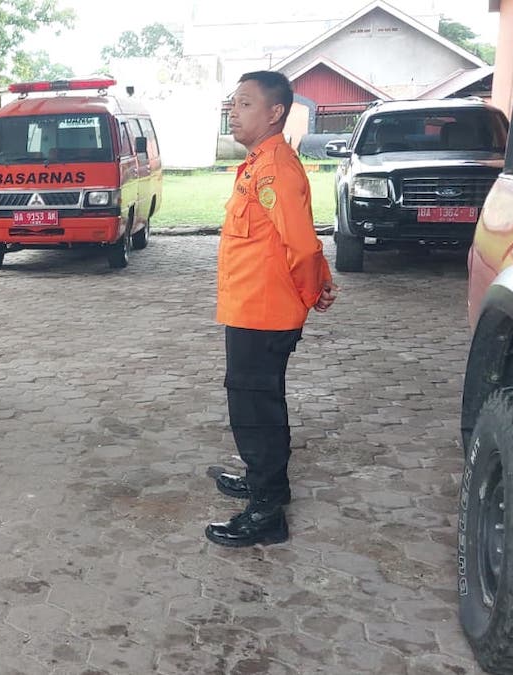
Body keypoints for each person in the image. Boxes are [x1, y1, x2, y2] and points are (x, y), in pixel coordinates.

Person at [206, 71, 338, 548]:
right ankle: (264, 481)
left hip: (264, 313)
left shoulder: (276, 167)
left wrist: (308, 292)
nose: (233, 113)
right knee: (256, 401)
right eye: (233, 104)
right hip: (249, 308)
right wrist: (320, 281)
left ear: (275, 112)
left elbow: (301, 247)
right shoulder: (259, 163)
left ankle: (266, 511)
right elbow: (291, 238)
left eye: (244, 104)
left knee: (255, 407)